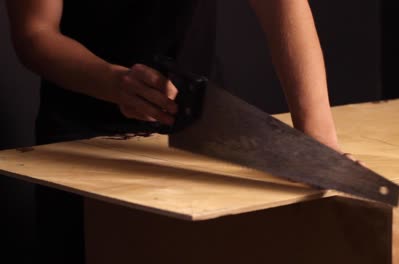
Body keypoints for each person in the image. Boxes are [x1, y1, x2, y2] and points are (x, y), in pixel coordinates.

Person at [6, 0, 353, 262]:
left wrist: (317, 141)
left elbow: (281, 7)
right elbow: (36, 33)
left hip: (199, 125)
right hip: (80, 135)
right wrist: (114, 82)